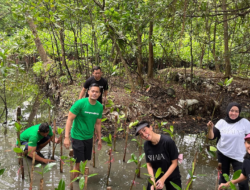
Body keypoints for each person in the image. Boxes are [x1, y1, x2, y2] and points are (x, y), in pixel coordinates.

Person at [207, 102, 250, 190]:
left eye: (236, 111)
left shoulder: (245, 122)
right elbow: (211, 137)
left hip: (240, 156)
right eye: (231, 111)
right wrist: (210, 129)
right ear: (228, 111)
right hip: (223, 154)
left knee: (242, 181)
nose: (234, 113)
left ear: (239, 112)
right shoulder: (221, 122)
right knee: (223, 178)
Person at [64, 83, 103, 177]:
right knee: (77, 161)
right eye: (92, 91)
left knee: (85, 160)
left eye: (96, 92)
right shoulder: (80, 103)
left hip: (89, 136)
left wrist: (100, 138)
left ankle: (83, 181)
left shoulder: (99, 106)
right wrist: (66, 137)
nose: (94, 93)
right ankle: (75, 181)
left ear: (99, 94)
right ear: (88, 92)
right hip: (77, 136)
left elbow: (98, 123)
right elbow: (69, 119)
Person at [135, 121, 181, 190]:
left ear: (150, 127)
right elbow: (149, 164)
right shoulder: (146, 145)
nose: (144, 135)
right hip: (156, 175)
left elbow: (174, 163)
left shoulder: (168, 141)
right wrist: (153, 181)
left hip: (172, 174)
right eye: (141, 134)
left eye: (144, 130)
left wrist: (163, 179)